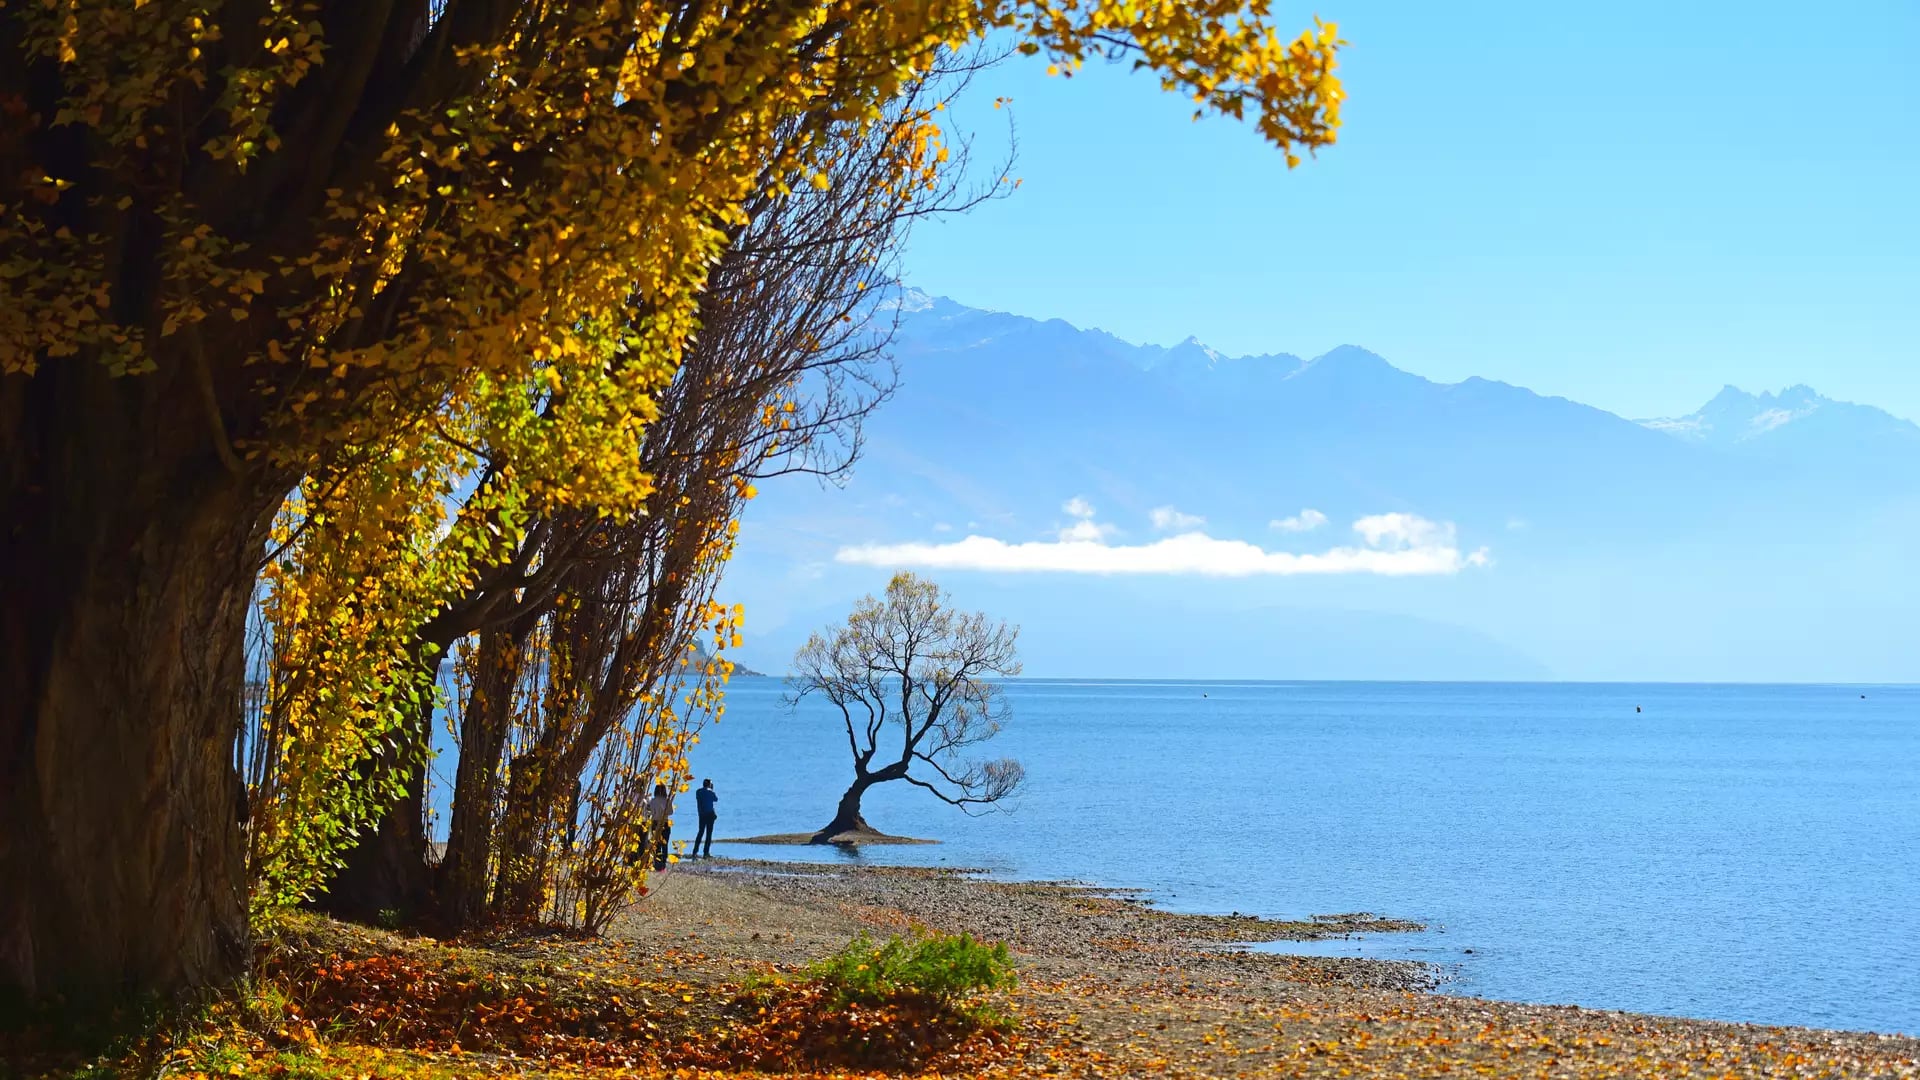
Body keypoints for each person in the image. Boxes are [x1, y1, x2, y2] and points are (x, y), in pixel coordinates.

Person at [643, 782, 674, 871]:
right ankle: (663, 861)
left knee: (656, 843)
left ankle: (657, 861)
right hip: (665, 822)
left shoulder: (653, 801)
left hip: (655, 823)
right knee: (665, 843)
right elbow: (671, 812)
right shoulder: (667, 800)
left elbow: (650, 812)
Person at [693, 779, 718, 859]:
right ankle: (706, 852)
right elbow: (716, 799)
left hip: (701, 814)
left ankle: (695, 851)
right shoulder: (711, 792)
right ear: (709, 785)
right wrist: (712, 789)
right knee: (708, 834)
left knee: (700, 832)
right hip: (709, 814)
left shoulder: (698, 792)